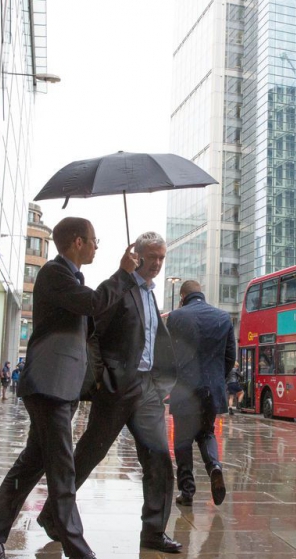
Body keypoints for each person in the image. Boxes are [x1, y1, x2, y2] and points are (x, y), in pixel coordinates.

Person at [0, 217, 138, 559]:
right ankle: (78, 548)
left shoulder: (72, 278)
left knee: (32, 464)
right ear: (77, 242)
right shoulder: (53, 273)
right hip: (49, 386)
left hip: (62, 387)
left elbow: (94, 315)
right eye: (93, 239)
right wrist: (121, 274)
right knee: (63, 469)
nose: (96, 245)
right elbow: (93, 303)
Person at [72, 231, 182, 554]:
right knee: (91, 452)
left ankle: (153, 532)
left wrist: (160, 384)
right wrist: (103, 376)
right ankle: (54, 511)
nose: (158, 263)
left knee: (160, 459)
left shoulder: (150, 294)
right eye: (153, 256)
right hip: (118, 387)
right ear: (137, 254)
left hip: (148, 388)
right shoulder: (121, 287)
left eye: (162, 257)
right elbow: (92, 332)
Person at [168, 280, 236, 507]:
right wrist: (218, 381)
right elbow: (230, 357)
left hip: (185, 389)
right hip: (211, 390)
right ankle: (214, 466)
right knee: (207, 433)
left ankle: (187, 492)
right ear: (201, 293)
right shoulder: (223, 317)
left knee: (183, 439)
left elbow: (169, 355)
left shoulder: (176, 317)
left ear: (182, 296)